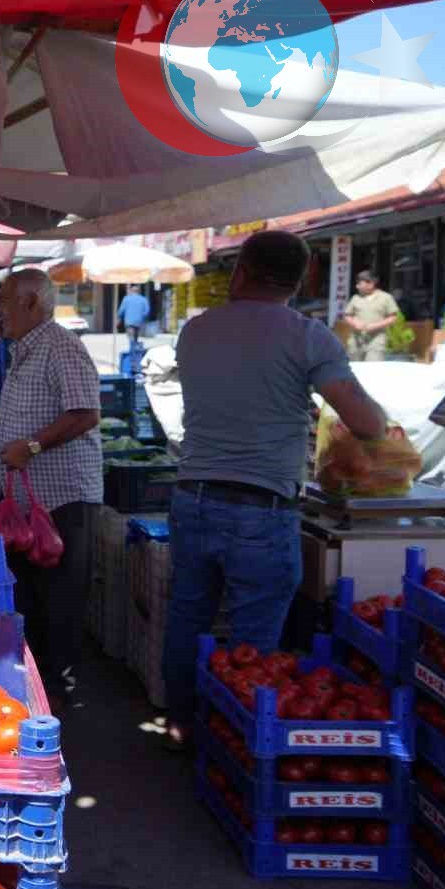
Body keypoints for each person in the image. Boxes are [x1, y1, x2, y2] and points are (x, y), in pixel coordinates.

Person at [162, 231, 387, 749]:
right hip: (261, 510)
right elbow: (367, 422)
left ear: (240, 270)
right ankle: (234, 747)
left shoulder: (196, 330)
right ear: (300, 281)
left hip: (193, 497)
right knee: (253, 637)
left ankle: (180, 723)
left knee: (188, 617)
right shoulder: (308, 336)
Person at [0, 269, 103, 705]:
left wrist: (33, 445)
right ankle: (38, 688)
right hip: (29, 501)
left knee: (59, 598)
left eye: (4, 301)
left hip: (62, 499)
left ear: (30, 302)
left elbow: (86, 413)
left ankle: (61, 693)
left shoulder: (61, 346)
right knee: (34, 596)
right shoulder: (25, 349)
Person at [342, 270, 400, 361]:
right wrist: (354, 323)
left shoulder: (386, 297)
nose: (357, 286)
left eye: (360, 284)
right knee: (355, 366)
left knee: (372, 365)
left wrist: (375, 326)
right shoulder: (355, 298)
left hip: (376, 339)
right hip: (356, 340)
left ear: (371, 284)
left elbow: (393, 317)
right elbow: (347, 315)